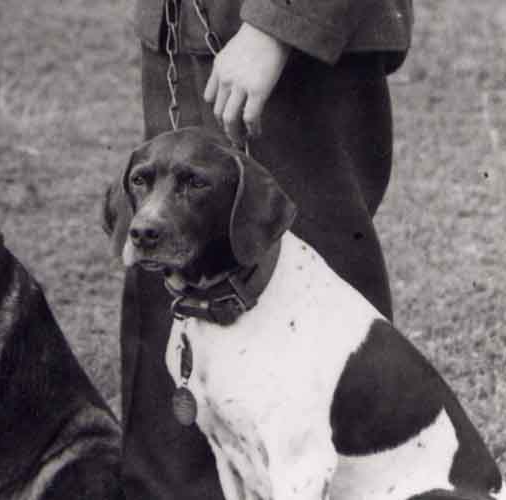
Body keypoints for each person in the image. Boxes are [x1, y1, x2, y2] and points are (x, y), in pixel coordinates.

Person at [118, 0, 413, 498]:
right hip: (183, 28)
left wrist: (276, 27)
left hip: (290, 43)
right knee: (173, 267)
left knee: (304, 290)